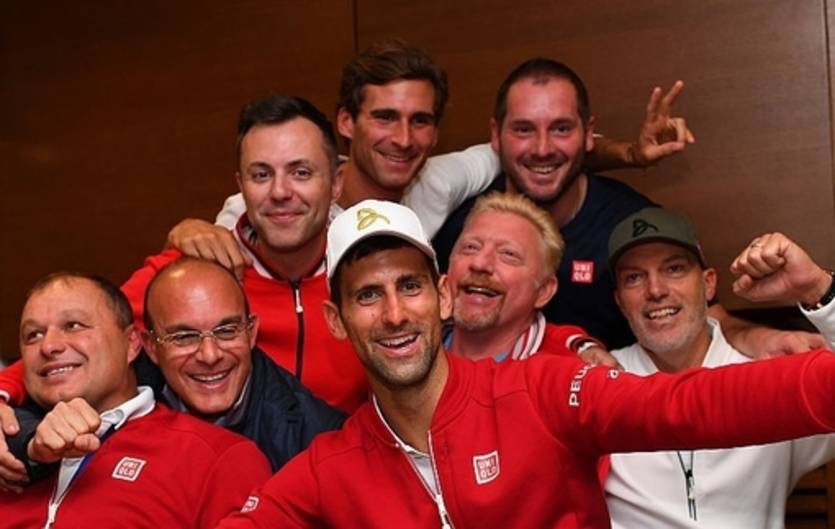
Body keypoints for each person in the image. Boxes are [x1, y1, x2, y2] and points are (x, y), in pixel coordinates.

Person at [217, 199, 835, 529]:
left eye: (409, 286)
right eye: (367, 296)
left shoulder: (541, 391)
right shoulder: (331, 465)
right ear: (336, 320)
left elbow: (689, 405)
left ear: (444, 297)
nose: (395, 314)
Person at [169, 41, 693, 275]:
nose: (404, 139)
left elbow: (534, 158)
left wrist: (631, 155)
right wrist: (188, 233)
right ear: (346, 123)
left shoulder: (442, 178)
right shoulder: (279, 200)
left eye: (420, 120)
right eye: (384, 117)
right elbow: (212, 243)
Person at [0, 94, 368, 415]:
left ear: (336, 183)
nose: (280, 192)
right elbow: (83, 338)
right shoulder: (192, 271)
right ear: (240, 186)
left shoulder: (367, 276)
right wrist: (4, 394)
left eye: (301, 173)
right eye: (261, 175)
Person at [431, 57, 824, 355]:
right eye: (523, 129)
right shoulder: (463, 228)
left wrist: (763, 338)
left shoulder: (631, 223)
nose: (543, 148)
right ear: (496, 135)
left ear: (589, 134)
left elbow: (706, 317)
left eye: (561, 128)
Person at [604, 207, 835, 528]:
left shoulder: (767, 373)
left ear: (709, 284)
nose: (655, 290)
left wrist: (817, 288)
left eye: (674, 269)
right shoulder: (599, 386)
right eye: (634, 277)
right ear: (619, 301)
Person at [0, 272, 270, 527]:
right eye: (33, 335)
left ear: (131, 343)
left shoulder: (215, 457)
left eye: (73, 326)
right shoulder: (9, 446)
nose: (49, 346)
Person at [444, 191, 614, 365]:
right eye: (470, 247)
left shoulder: (567, 373)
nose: (479, 263)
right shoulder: (426, 336)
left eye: (508, 254)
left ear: (543, 291)